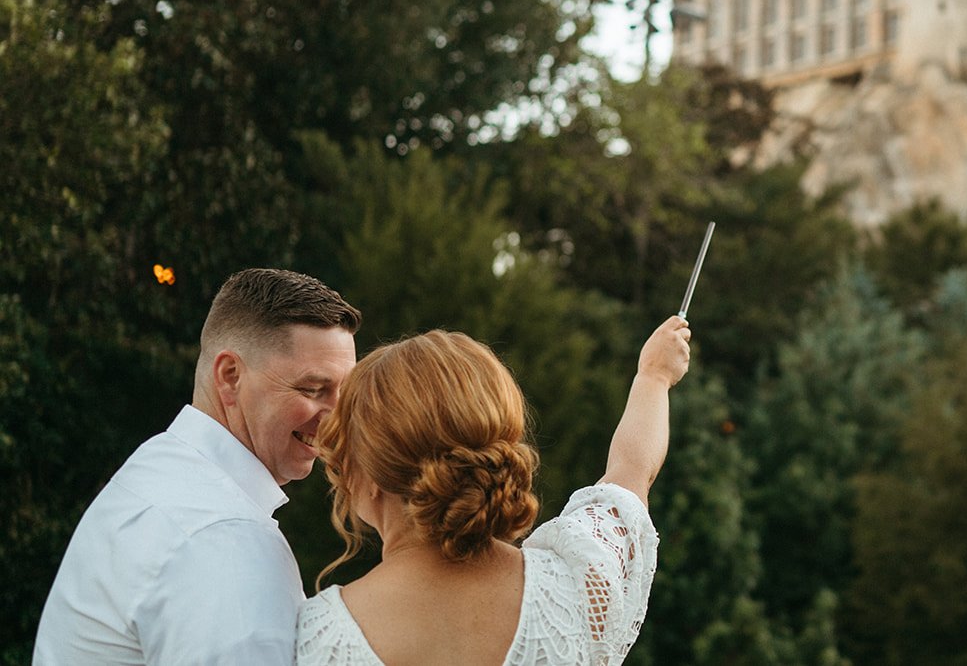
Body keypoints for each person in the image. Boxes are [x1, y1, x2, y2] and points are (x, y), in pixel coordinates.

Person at [295, 315, 692, 666]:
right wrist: (654, 377)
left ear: (366, 473)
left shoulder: (321, 638)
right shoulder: (578, 581)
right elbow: (632, 471)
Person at [34, 268, 362, 665]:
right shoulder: (222, 535)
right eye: (313, 390)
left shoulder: (160, 472)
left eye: (345, 394)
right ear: (230, 377)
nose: (337, 418)